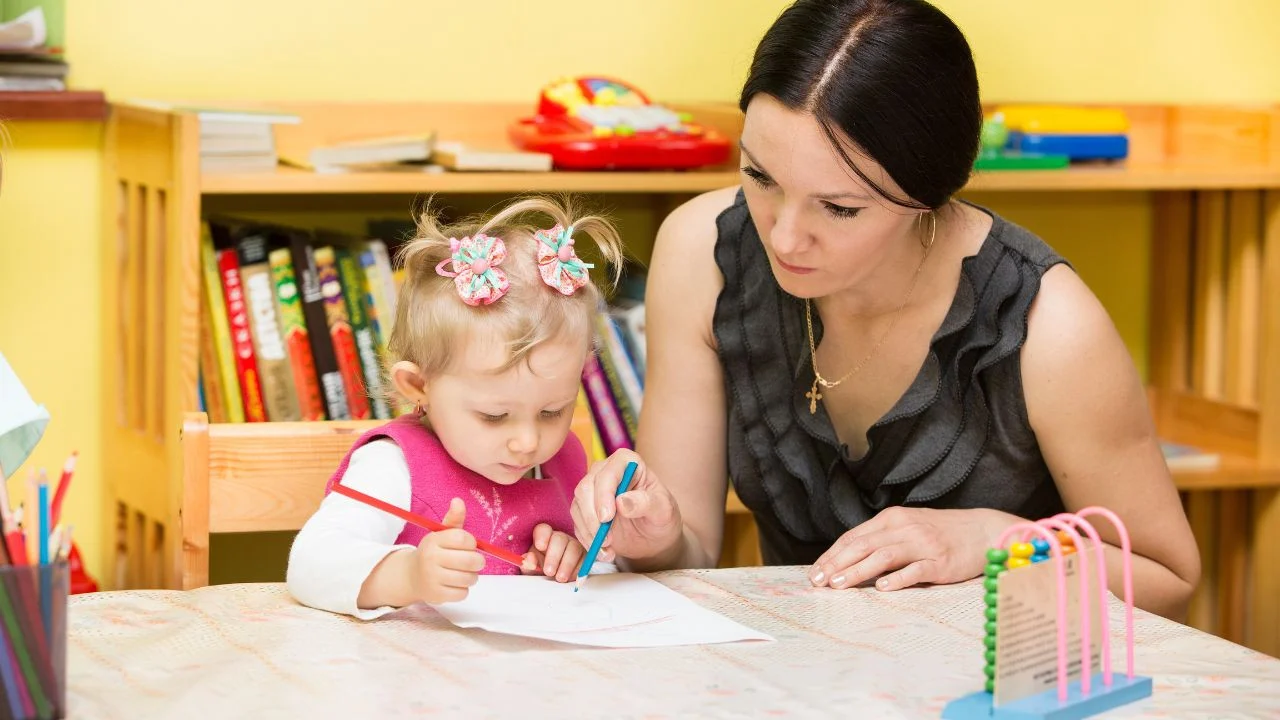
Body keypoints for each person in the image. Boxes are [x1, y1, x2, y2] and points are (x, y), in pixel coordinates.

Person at [569, 0, 1200, 620]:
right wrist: (653, 536)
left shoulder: (1048, 324)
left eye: (839, 208)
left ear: (927, 194)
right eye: (760, 178)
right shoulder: (701, 252)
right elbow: (692, 554)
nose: (784, 238)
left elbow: (1168, 578)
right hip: (799, 680)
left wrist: (996, 542)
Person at [287, 196, 623, 618]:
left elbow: (610, 583)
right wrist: (408, 575)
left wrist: (577, 561)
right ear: (418, 386)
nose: (527, 441)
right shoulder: (394, 466)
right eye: (494, 416)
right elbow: (311, 565)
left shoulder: (566, 461)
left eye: (553, 411)